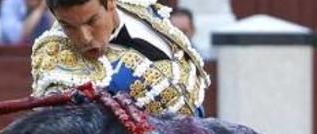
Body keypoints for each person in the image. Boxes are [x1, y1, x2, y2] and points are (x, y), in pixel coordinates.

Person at [31, 0, 210, 117]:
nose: (84, 37)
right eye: (68, 26)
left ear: (110, 3)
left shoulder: (135, 4)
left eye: (92, 21)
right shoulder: (56, 58)